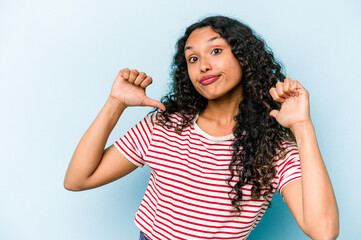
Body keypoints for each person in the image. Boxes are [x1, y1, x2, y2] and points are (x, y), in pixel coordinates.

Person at [64, 16, 339, 240]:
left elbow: (324, 232)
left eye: (216, 51)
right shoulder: (163, 125)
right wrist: (115, 103)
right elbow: (77, 180)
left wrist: (302, 126)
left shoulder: (275, 149)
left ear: (244, 58)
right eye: (192, 59)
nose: (203, 66)